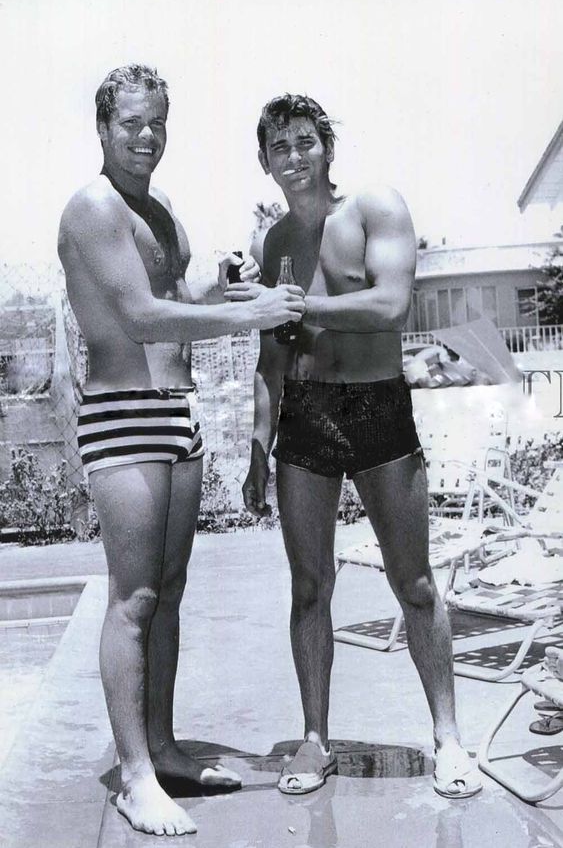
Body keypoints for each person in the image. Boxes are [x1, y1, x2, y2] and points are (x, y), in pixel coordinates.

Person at [57, 65, 305, 837]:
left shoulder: (159, 205)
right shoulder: (92, 209)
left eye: (157, 122)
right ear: (102, 127)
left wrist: (222, 287)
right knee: (131, 600)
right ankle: (133, 776)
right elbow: (135, 318)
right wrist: (250, 315)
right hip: (124, 415)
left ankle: (160, 746)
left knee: (167, 587)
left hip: (176, 411)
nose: (146, 136)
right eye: (131, 123)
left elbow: (174, 299)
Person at [242, 94, 482, 799]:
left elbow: (388, 303)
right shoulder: (275, 244)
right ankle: (314, 739)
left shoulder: (374, 207)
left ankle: (448, 739)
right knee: (310, 586)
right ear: (264, 161)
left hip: (379, 407)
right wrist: (259, 447)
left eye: (304, 141)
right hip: (308, 417)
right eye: (278, 146)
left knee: (412, 583)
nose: (293, 155)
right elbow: (270, 356)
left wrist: (297, 304)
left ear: (326, 147)